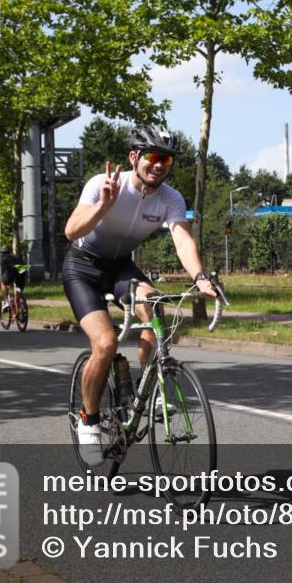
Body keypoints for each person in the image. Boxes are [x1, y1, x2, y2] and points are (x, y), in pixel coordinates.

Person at [63, 124, 216, 466]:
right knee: (105, 345)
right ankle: (89, 420)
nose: (161, 164)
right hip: (83, 268)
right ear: (135, 157)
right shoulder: (101, 185)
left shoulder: (171, 198)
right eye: (154, 156)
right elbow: (71, 230)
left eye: (168, 159)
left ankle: (152, 381)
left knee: (157, 305)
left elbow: (181, 239)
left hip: (120, 267)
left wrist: (200, 276)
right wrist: (104, 205)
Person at [0, 246, 25, 311]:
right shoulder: (15, 257)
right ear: (10, 251)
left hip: (11, 272)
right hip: (22, 271)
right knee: (18, 291)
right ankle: (21, 307)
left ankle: (6, 301)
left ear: (1, 252)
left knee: (3, 283)